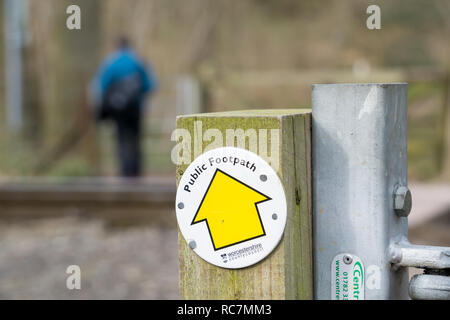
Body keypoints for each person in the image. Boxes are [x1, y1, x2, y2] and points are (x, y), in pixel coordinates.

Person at [91, 38, 157, 177]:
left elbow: (100, 86)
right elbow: (150, 85)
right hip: (135, 107)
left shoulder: (110, 63)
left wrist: (104, 105)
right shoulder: (138, 62)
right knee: (136, 138)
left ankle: (124, 171)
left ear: (116, 47)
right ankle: (136, 171)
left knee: (121, 138)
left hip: (118, 109)